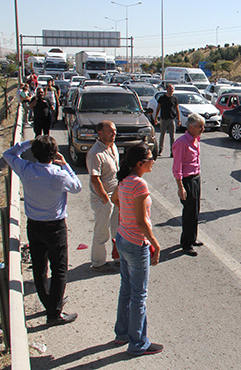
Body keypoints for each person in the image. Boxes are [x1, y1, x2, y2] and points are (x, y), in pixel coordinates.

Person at [3, 135, 82, 326]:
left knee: (39, 268)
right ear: (54, 154)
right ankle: (54, 313)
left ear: (34, 153)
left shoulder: (26, 169)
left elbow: (8, 153)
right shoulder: (59, 174)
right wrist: (65, 165)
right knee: (59, 269)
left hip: (34, 225)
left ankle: (49, 302)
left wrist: (27, 143)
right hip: (55, 226)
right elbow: (77, 187)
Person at [110, 143, 163, 356]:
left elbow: (115, 199)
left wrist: (128, 210)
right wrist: (156, 244)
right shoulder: (139, 185)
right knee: (139, 294)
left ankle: (122, 333)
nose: (153, 162)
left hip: (122, 237)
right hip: (135, 243)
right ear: (141, 163)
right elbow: (143, 222)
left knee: (126, 289)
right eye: (151, 158)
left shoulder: (125, 181)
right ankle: (138, 342)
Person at [87, 120, 120, 273]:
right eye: (110, 131)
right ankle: (98, 262)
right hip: (103, 199)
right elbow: (95, 179)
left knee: (118, 229)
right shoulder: (95, 153)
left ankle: (118, 258)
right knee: (102, 232)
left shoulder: (112, 147)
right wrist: (106, 199)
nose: (114, 134)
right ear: (100, 134)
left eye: (114, 130)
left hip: (115, 196)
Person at [172, 113, 205, 257]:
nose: (202, 129)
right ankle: (186, 244)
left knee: (195, 210)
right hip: (187, 180)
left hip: (196, 177)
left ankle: (192, 237)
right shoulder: (182, 142)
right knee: (189, 212)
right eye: (199, 127)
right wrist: (181, 187)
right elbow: (177, 167)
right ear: (191, 127)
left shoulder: (196, 140)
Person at [154, 84, 180, 157]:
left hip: (171, 120)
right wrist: (156, 118)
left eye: (172, 89)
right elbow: (158, 108)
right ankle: (160, 149)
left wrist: (179, 120)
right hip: (163, 120)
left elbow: (177, 109)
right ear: (167, 89)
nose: (172, 91)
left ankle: (172, 151)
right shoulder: (162, 98)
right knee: (162, 135)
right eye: (170, 89)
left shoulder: (174, 98)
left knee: (172, 136)